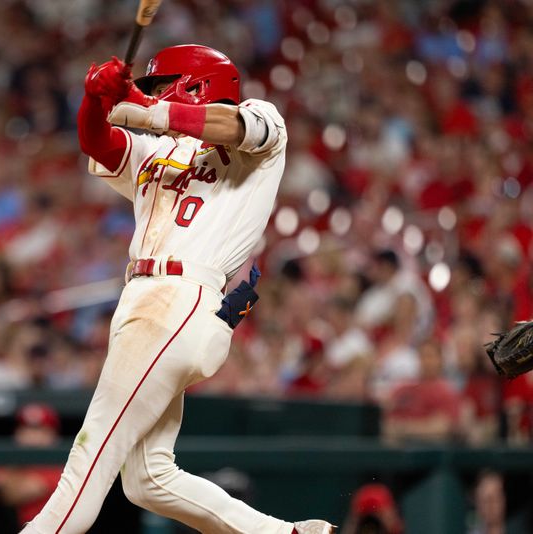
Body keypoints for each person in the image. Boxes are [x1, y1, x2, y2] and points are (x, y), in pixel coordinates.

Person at [21, 45, 334, 533]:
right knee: (146, 478)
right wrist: (93, 99)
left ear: (198, 85)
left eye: (160, 83)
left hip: (181, 296)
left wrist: (141, 105)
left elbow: (227, 127)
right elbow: (98, 144)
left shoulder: (259, 120)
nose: (152, 93)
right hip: (146, 301)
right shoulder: (157, 149)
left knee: (88, 462)